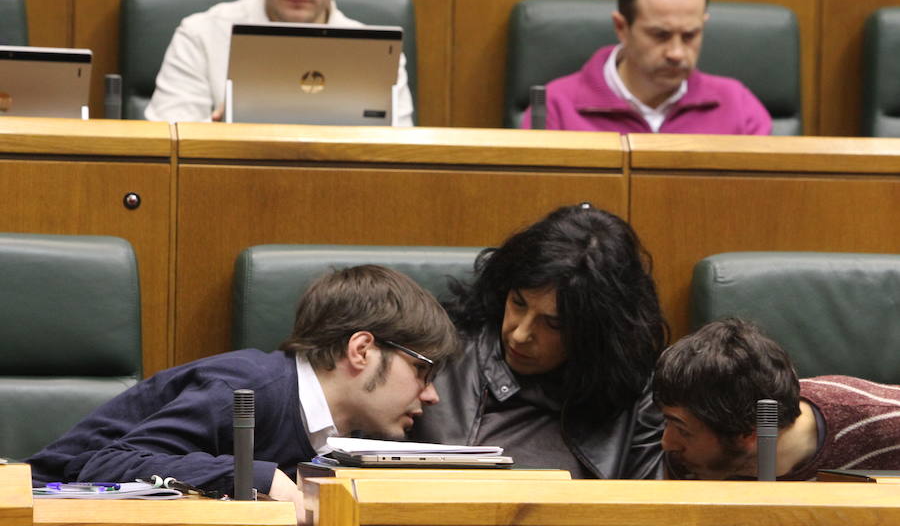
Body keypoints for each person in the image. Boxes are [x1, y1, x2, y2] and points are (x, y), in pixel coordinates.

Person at [27, 265, 457, 518]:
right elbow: (104, 466)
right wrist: (258, 475)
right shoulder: (245, 388)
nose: (432, 395)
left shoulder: (349, 436)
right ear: (362, 350)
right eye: (422, 369)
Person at [411, 203, 670, 478]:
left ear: (598, 333)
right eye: (518, 303)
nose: (520, 334)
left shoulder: (637, 400)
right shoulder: (440, 354)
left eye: (554, 323)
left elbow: (648, 508)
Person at [144, 0, 414, 126]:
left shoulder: (379, 55)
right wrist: (219, 134)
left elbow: (399, 161)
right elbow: (164, 151)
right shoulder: (200, 36)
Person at [521, 0, 771, 135]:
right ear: (621, 28)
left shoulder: (738, 105)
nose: (676, 53)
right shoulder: (556, 107)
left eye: (690, 35)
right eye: (660, 35)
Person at [653, 318, 900, 480]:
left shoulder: (885, 420)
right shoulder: (686, 461)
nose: (667, 443)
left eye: (682, 430)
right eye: (668, 422)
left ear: (749, 434)